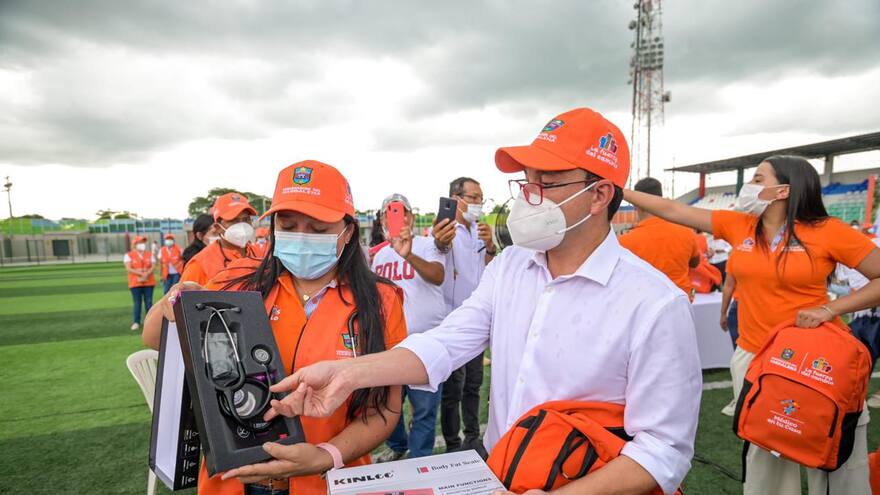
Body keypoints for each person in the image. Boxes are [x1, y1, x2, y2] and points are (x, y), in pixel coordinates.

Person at [261, 108, 702, 495]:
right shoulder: (512, 265)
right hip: (501, 472)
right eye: (525, 182)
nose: (527, 197)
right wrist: (347, 372)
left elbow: (664, 450)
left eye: (545, 184)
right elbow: (448, 342)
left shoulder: (654, 303)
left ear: (600, 195)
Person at [142, 160, 407, 494]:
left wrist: (326, 455)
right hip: (231, 483)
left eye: (319, 228)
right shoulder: (235, 281)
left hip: (327, 483)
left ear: (348, 231)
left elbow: (383, 409)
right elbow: (154, 338)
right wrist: (172, 302)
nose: (302, 237)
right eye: (289, 224)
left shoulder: (381, 300)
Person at [625, 155, 880, 494]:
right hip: (757, 358)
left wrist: (831, 309)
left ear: (783, 190)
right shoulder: (740, 225)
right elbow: (671, 210)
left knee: (834, 455)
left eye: (758, 179)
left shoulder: (826, 231)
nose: (749, 187)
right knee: (766, 454)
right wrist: (618, 190)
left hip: (818, 361)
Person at [371, 193, 447, 461]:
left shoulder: (428, 245)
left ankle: (420, 460)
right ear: (381, 220)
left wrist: (409, 254)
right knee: (387, 404)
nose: (395, 218)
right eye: (389, 213)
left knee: (424, 408)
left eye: (401, 212)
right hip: (391, 343)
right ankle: (399, 445)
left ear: (412, 218)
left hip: (424, 341)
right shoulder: (379, 255)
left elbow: (437, 276)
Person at [432, 176, 497, 456]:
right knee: (453, 389)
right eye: (473, 197)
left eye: (481, 198)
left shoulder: (479, 232)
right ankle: (453, 443)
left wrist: (491, 246)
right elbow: (440, 249)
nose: (478, 203)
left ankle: (472, 438)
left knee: (474, 385)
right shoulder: (446, 229)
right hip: (453, 320)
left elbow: (489, 270)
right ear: (456, 198)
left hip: (478, 320)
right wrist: (441, 240)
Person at [619, 177, 700, 299]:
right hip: (681, 304)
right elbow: (695, 262)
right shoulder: (686, 232)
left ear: (636, 204)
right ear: (662, 199)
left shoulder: (624, 241)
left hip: (644, 305)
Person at [180, 192, 263, 286]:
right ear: (218, 227)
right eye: (233, 220)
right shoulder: (199, 265)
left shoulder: (261, 255)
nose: (242, 226)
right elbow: (183, 299)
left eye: (246, 219)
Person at [124, 235, 155, 331]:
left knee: (149, 302)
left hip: (149, 282)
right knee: (137, 302)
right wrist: (141, 273)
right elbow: (128, 268)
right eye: (140, 242)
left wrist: (146, 274)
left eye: (143, 242)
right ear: (135, 244)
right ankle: (136, 322)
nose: (142, 244)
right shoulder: (128, 255)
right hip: (135, 283)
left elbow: (153, 266)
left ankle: (150, 322)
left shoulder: (149, 254)